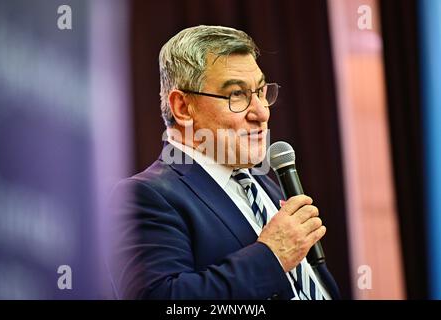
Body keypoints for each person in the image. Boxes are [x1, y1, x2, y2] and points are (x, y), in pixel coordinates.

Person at [111, 25, 340, 300]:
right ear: (183, 107)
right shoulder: (143, 196)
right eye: (237, 95)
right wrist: (272, 256)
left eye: (260, 92)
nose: (261, 112)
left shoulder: (265, 185)